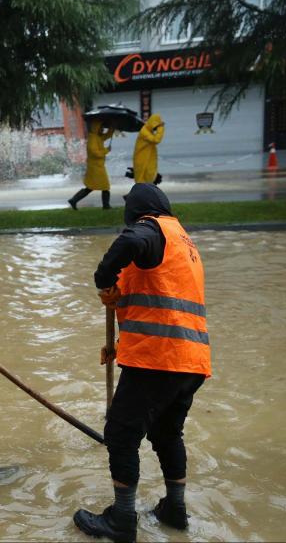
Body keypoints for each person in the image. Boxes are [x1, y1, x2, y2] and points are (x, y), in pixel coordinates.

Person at [73, 183, 211, 542]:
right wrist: (120, 342)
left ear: (138, 212)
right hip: (190, 361)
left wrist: (103, 278)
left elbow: (131, 242)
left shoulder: (150, 229)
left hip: (158, 360)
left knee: (120, 435)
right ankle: (175, 510)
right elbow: (160, 300)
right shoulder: (183, 241)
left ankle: (121, 521)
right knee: (167, 433)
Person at [69, 120, 114, 210]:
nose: (102, 129)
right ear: (96, 128)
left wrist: (112, 127)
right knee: (104, 186)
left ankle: (74, 200)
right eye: (100, 127)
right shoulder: (93, 139)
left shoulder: (97, 137)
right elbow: (95, 153)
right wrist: (106, 150)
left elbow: (107, 135)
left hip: (98, 166)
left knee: (91, 187)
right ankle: (106, 206)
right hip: (95, 168)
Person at [132, 114, 165, 184]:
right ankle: (136, 194)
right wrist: (161, 128)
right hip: (142, 160)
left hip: (147, 160)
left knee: (149, 181)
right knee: (141, 182)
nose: (156, 128)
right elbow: (156, 140)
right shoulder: (144, 132)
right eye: (156, 126)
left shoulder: (149, 131)